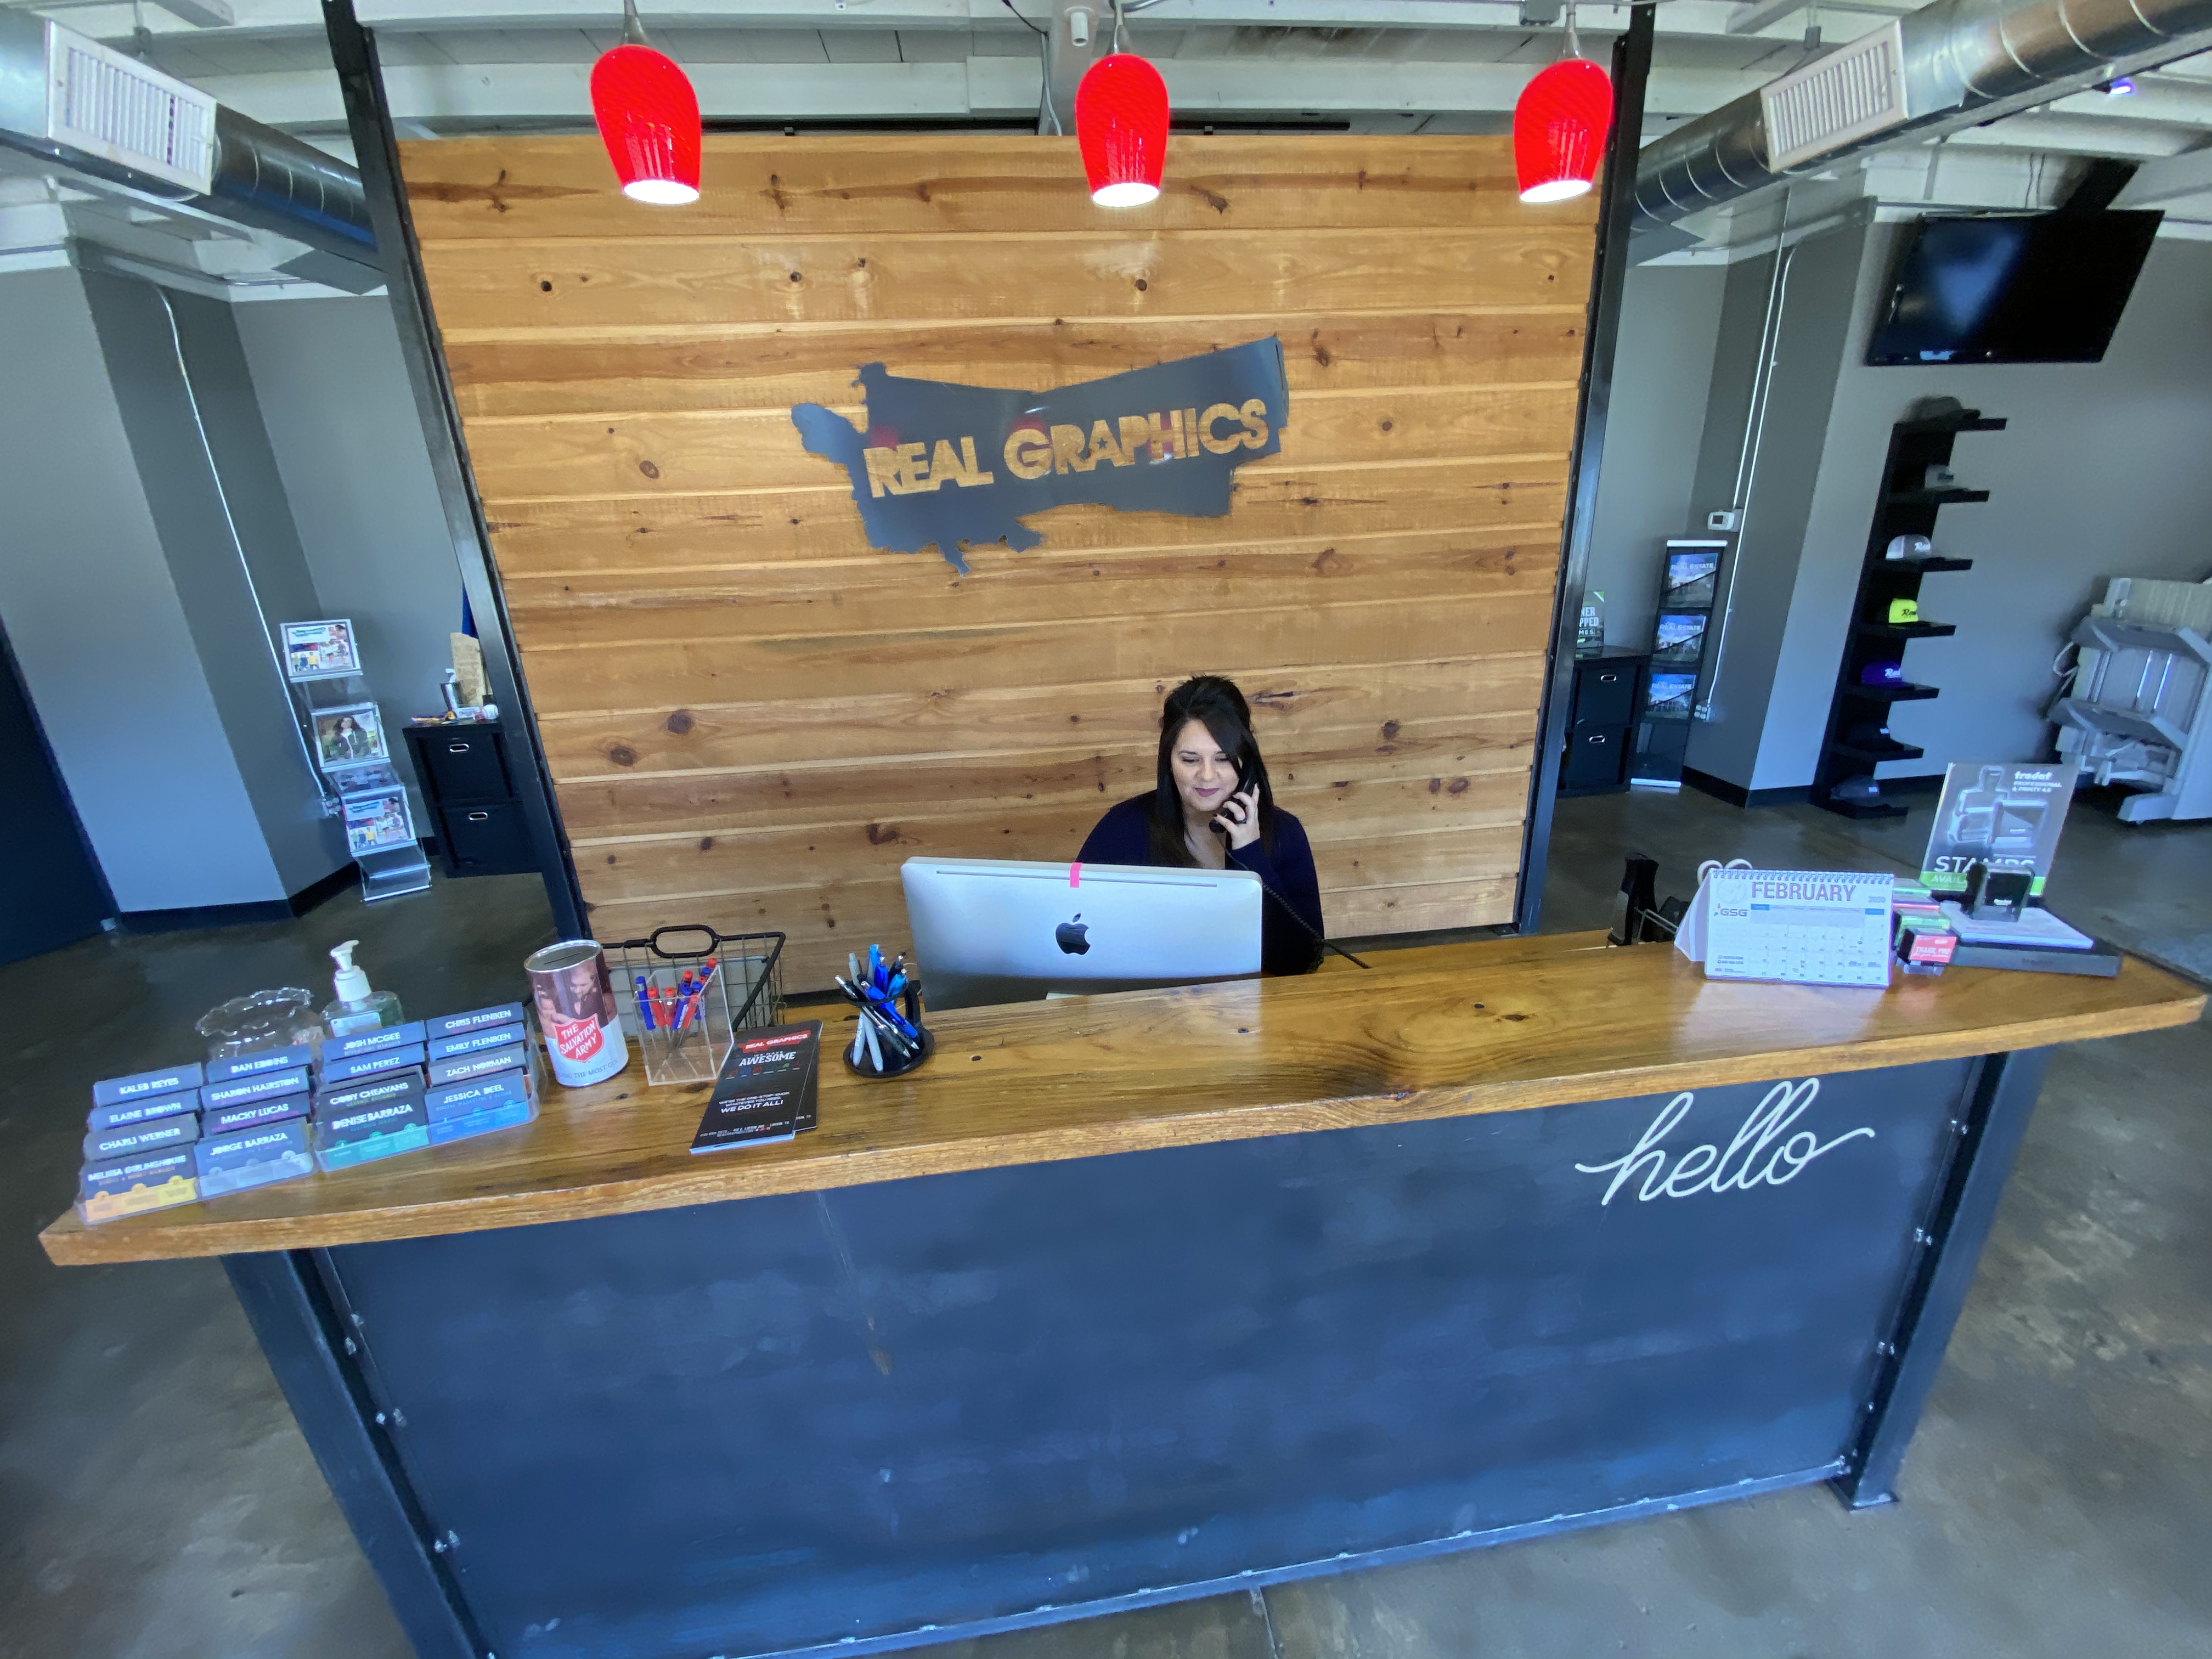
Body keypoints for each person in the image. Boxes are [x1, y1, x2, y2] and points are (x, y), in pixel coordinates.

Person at [1077, 675, 1324, 976]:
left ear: (1246, 761)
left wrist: (1251, 856)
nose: (1207, 776)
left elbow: (1301, 961)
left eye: (1223, 759)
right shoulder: (1122, 827)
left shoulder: (1286, 832)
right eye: (1190, 760)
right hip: (1145, 993)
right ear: (1169, 762)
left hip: (1251, 998)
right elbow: (1077, 929)